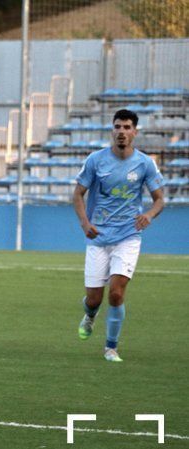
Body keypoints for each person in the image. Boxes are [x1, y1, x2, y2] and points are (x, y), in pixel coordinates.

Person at [73, 109, 165, 363]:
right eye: (117, 127)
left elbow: (159, 200)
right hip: (98, 236)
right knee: (94, 298)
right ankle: (90, 314)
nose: (121, 132)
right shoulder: (95, 161)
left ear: (135, 132)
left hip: (128, 236)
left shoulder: (145, 163)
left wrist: (148, 215)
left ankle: (110, 348)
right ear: (112, 131)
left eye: (126, 127)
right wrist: (85, 222)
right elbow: (78, 193)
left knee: (116, 293)